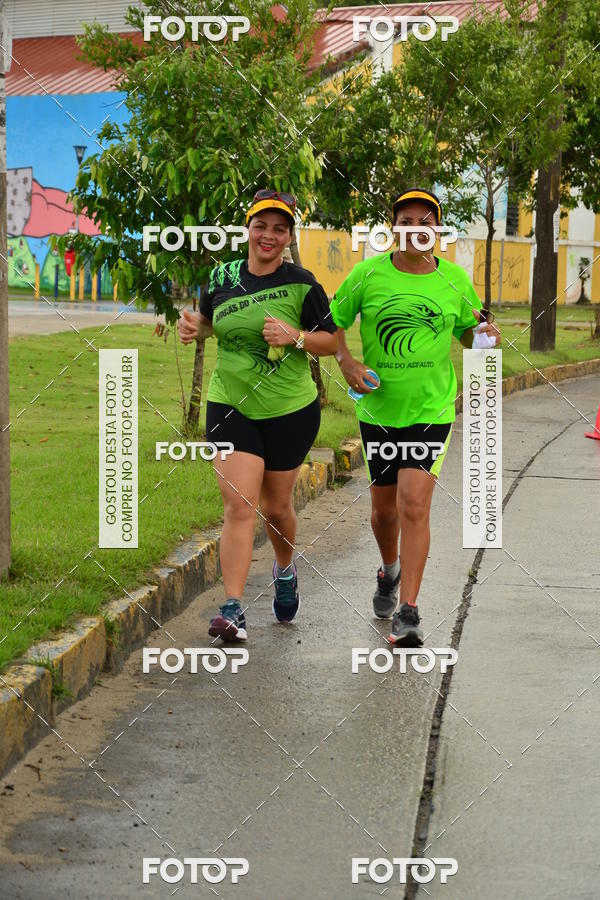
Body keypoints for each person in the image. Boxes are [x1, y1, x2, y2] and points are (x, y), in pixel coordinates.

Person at [330, 187, 501, 646]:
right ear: (393, 229)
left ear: (436, 231)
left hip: (432, 408)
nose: (414, 229)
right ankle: (389, 570)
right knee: (383, 512)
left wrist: (484, 338)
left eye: (425, 222)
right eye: (405, 221)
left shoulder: (454, 280)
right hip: (379, 410)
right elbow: (333, 323)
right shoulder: (367, 275)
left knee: (414, 505)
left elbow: (469, 334)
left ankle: (408, 612)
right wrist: (347, 362)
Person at [178, 189, 338, 641]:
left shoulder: (303, 284)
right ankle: (233, 608)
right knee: (239, 504)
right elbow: (211, 322)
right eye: (261, 226)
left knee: (276, 508)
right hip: (231, 404)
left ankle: (285, 570)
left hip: (289, 409)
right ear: (248, 229)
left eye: (279, 228)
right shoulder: (222, 277)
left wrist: (295, 335)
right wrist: (194, 327)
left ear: (288, 236)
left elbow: (331, 341)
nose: (269, 235)